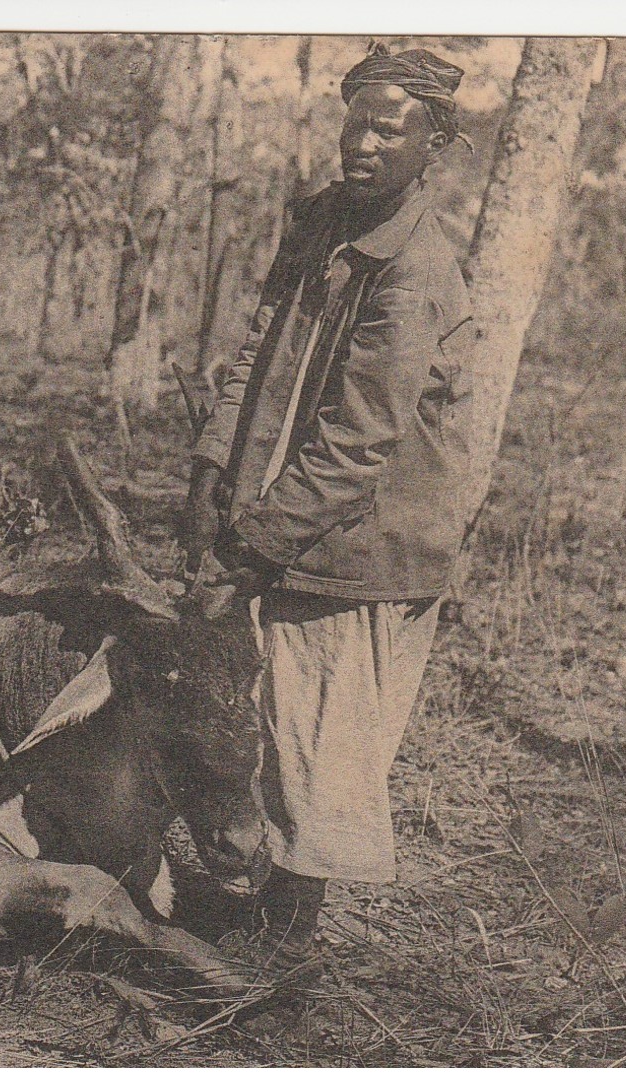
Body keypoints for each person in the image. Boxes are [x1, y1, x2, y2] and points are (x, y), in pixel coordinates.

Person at [181, 44, 476, 963]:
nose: (366, 141)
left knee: (319, 739)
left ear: (434, 146)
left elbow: (359, 440)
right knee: (278, 724)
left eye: (393, 128)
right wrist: (206, 478)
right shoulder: (316, 222)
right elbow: (254, 353)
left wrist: (252, 545)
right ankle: (267, 907)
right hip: (294, 520)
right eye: (357, 120)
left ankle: (287, 947)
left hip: (365, 543)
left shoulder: (416, 265)